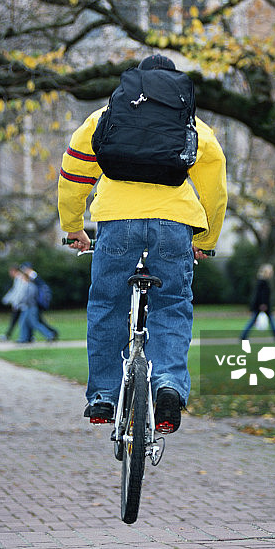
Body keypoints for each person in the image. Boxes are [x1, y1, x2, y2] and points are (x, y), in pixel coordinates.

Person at [58, 54, 227, 433]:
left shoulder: (104, 116)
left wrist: (73, 227)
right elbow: (215, 191)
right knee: (172, 304)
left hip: (116, 222)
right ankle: (167, 383)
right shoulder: (194, 124)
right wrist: (206, 238)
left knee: (106, 303)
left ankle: (103, 395)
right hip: (174, 224)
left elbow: (73, 173)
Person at [240, 263, 275, 341]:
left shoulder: (262, 281)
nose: (271, 273)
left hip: (261, 305)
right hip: (262, 306)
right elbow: (261, 295)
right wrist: (263, 304)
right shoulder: (262, 282)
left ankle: (243, 336)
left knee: (257, 321)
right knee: (265, 321)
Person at [14, 268, 58, 343]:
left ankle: (49, 334)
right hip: (28, 307)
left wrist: (19, 303)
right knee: (24, 322)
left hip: (31, 307)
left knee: (35, 323)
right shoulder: (29, 286)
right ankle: (24, 338)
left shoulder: (30, 286)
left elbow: (28, 298)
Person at [0, 266, 24, 340]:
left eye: (11, 272)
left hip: (20, 305)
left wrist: (16, 303)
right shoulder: (17, 279)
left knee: (19, 321)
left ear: (14, 271)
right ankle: (8, 335)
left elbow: (19, 293)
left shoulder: (20, 279)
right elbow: (14, 291)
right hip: (20, 304)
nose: (10, 274)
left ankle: (8, 335)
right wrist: (6, 299)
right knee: (16, 321)